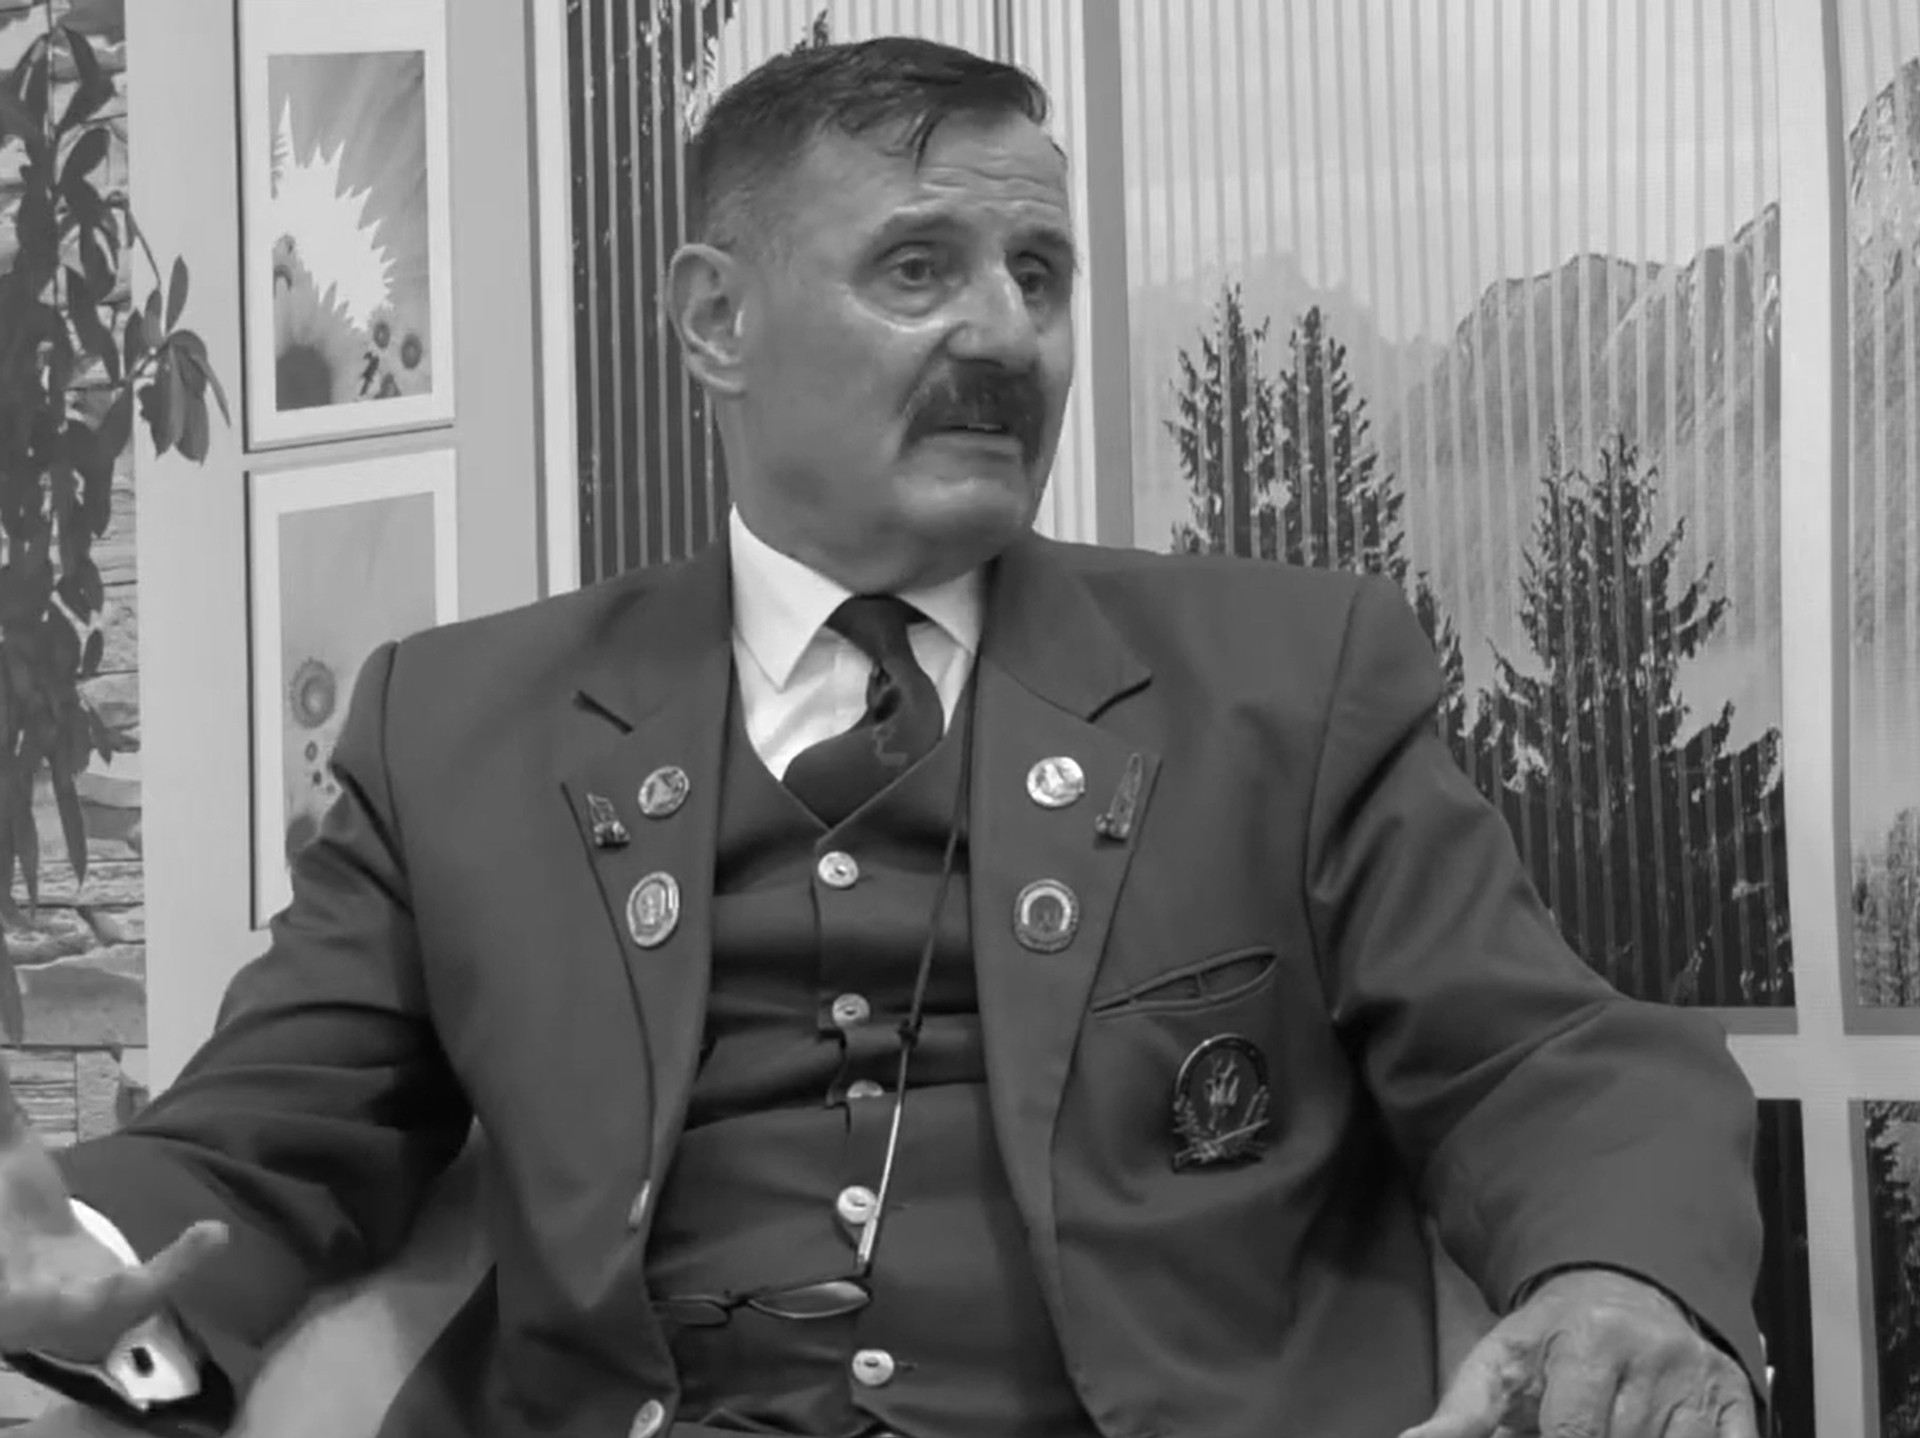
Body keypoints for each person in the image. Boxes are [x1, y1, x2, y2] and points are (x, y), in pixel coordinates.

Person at [0, 36, 1765, 1438]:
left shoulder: (1290, 682)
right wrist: (62, 1245)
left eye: (1040, 272)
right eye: (920, 267)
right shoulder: (457, 725)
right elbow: (265, 1128)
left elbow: (1540, 1057)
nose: (1006, 331)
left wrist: (1619, 1280)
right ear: (716, 320)